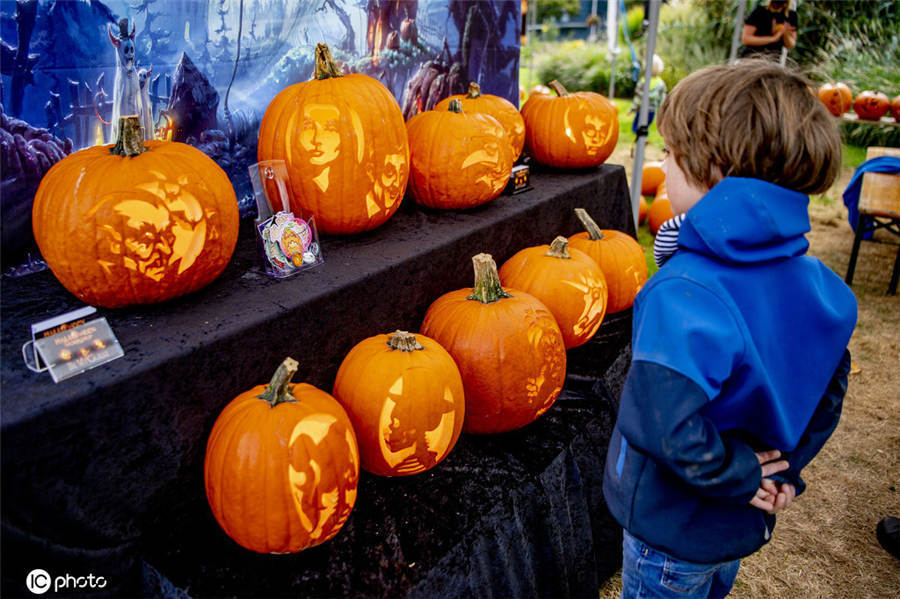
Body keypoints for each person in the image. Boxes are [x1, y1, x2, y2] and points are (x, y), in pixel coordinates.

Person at [602, 59, 858, 599]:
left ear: (714, 172)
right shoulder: (825, 288)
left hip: (672, 529)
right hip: (739, 525)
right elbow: (827, 397)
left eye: (671, 154)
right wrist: (779, 474)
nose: (663, 166)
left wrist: (741, 474)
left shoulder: (684, 296)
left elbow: (665, 425)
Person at [629, 54, 667, 142]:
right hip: (651, 112)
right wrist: (661, 112)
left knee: (635, 127)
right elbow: (662, 99)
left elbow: (638, 98)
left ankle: (642, 140)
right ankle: (643, 139)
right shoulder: (661, 84)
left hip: (642, 110)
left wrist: (633, 109)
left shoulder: (643, 81)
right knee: (645, 127)